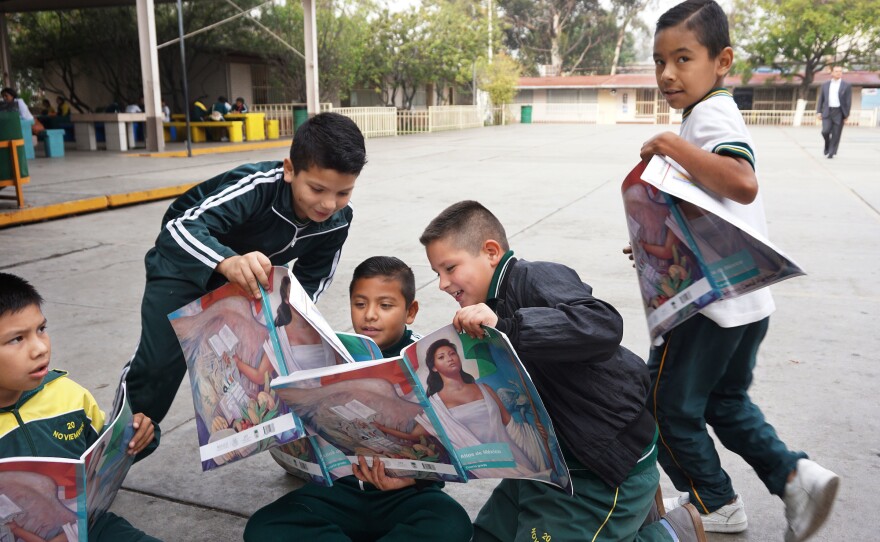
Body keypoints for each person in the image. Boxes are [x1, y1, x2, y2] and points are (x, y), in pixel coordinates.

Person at [638, 2, 839, 541]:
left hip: (708, 306)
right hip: (745, 302)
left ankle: (714, 503)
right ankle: (796, 476)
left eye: (683, 59)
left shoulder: (709, 116)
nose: (667, 74)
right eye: (659, 61)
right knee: (724, 402)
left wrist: (671, 144)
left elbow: (741, 181)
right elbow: (715, 208)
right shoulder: (708, 112)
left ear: (721, 60)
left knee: (664, 407)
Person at [420, 201, 707, 542]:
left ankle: (671, 533)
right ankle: (630, 519)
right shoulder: (487, 309)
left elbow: (602, 323)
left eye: (450, 268)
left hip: (599, 468)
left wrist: (508, 327)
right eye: (437, 274)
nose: (442, 283)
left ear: (492, 252)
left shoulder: (535, 276)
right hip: (545, 464)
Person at [124, 112, 366, 440]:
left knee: (258, 362)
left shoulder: (338, 220)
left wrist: (291, 320)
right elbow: (179, 229)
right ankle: (120, 442)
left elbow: (313, 278)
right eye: (317, 188)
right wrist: (227, 261)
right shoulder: (257, 186)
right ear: (290, 169)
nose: (328, 203)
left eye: (343, 193)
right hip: (182, 267)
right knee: (158, 368)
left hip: (243, 285)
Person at [244, 256, 473, 542]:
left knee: (452, 524)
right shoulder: (331, 353)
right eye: (360, 304)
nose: (370, 315)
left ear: (410, 311)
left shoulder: (429, 359)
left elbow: (451, 445)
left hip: (406, 494)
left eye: (385, 306)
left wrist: (414, 477)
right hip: (339, 490)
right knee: (264, 527)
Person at [0, 272, 159, 541]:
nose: (40, 348)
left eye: (41, 329)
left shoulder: (69, 395)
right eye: (17, 339)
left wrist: (139, 434)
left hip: (89, 526)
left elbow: (104, 454)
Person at [374, 338, 548, 480]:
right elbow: (415, 435)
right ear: (434, 367)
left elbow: (509, 423)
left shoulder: (484, 388)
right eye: (441, 357)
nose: (450, 358)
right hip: (486, 465)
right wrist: (382, 428)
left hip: (514, 455)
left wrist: (536, 436)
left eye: (452, 354)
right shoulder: (435, 403)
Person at [816, 65, 851, 159]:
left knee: (836, 133)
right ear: (832, 73)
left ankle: (831, 152)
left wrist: (846, 115)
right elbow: (821, 99)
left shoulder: (846, 85)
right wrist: (819, 112)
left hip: (839, 112)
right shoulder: (825, 85)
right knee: (825, 131)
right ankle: (827, 144)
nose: (838, 73)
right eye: (836, 71)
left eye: (840, 71)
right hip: (827, 111)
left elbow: (848, 101)